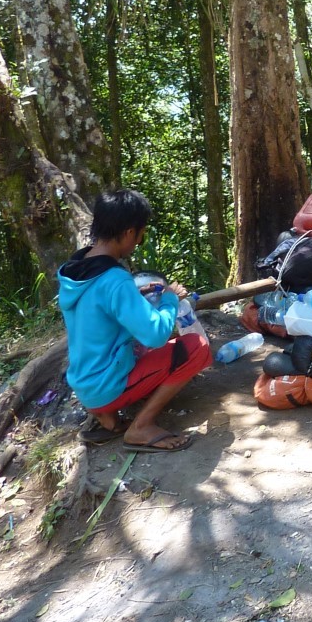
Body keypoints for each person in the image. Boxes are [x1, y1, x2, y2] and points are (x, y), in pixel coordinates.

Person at [58, 189, 211, 452]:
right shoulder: (115, 279)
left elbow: (97, 309)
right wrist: (170, 299)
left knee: (127, 346)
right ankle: (141, 426)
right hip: (106, 386)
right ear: (130, 232)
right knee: (197, 347)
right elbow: (156, 334)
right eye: (141, 234)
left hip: (83, 382)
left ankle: (108, 419)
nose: (139, 241)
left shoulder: (76, 269)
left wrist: (135, 294)